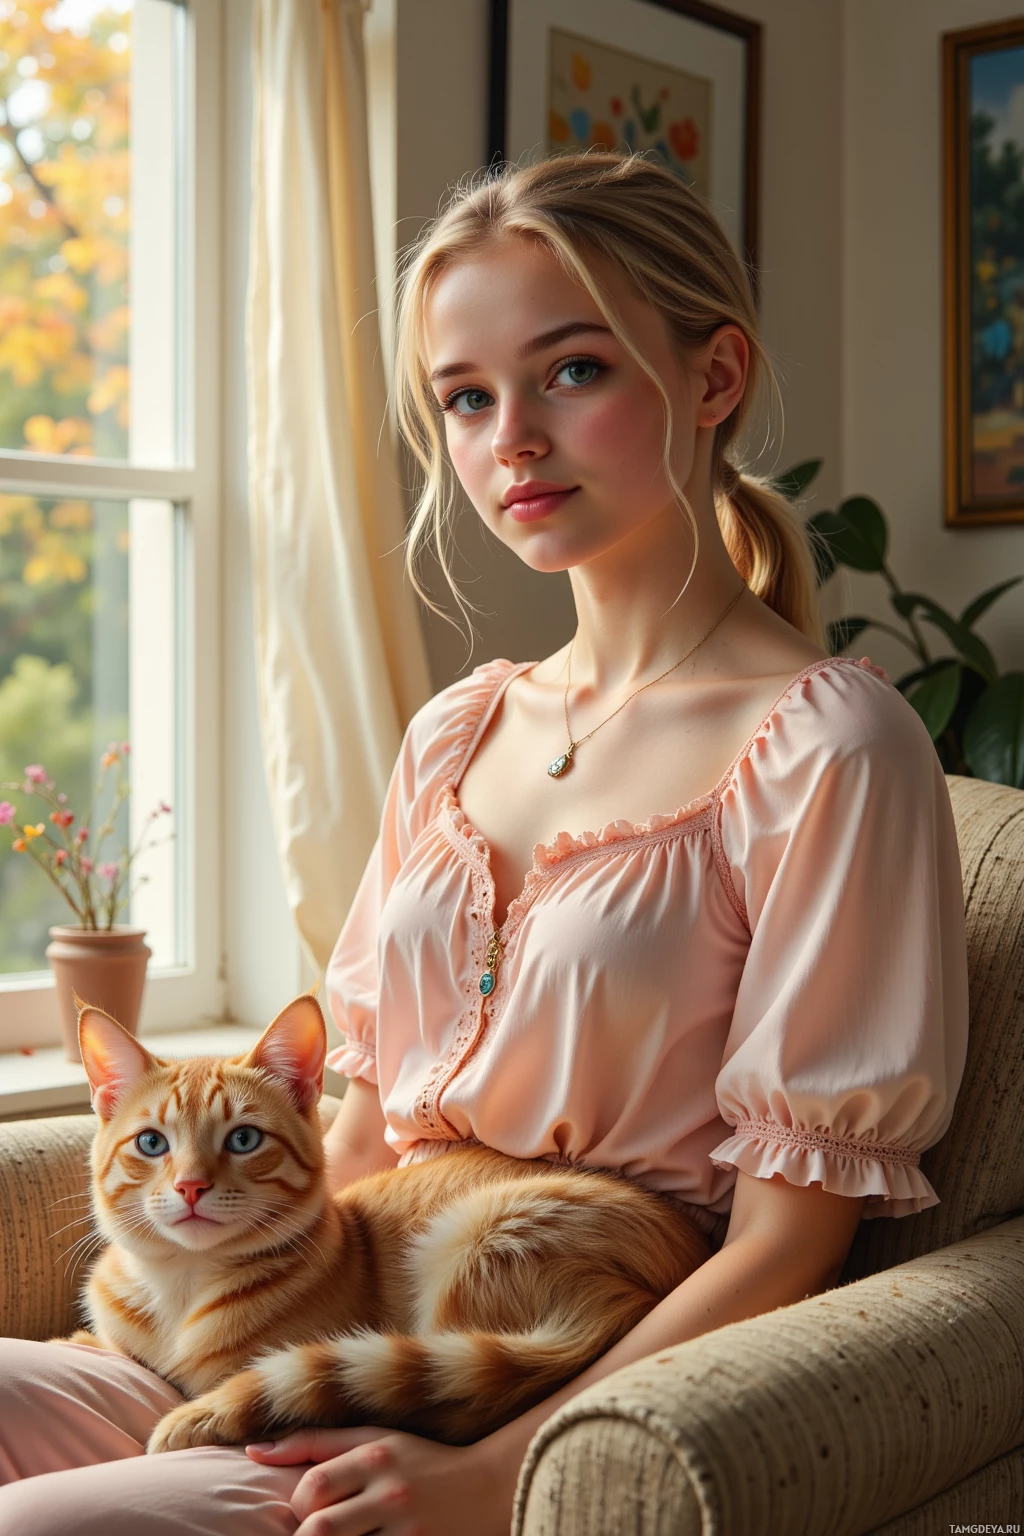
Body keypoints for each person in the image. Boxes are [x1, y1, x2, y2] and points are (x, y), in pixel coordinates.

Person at [0, 150, 970, 1536]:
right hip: (317, 1322)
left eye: (571, 371)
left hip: (517, 1370)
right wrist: (167, 1337)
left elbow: (788, 1238)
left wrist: (501, 1469)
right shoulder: (455, 733)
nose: (509, 436)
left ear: (714, 378)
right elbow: (362, 1130)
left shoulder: (834, 747)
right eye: (466, 397)